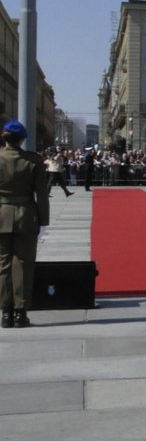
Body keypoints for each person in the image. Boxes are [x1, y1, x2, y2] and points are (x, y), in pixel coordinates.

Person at [0, 120, 51, 328]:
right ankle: (21, 312)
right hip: (26, 216)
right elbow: (42, 194)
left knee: (3, 265)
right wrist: (44, 219)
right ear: (22, 139)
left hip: (1, 214)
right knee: (23, 264)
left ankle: (5, 313)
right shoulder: (32, 161)